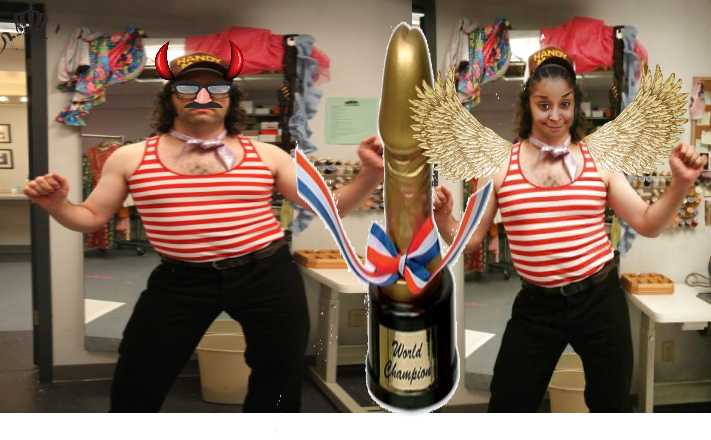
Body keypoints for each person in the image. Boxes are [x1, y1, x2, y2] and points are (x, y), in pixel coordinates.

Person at [24, 51, 385, 413]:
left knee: (279, 375)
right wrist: (57, 205)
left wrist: (371, 173)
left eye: (216, 87)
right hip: (179, 281)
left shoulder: (268, 155)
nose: (202, 96)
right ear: (169, 98)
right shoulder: (129, 157)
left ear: (230, 98)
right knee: (139, 373)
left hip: (267, 275)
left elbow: (330, 207)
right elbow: (91, 217)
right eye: (187, 87)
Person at [432, 48, 707, 413]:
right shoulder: (498, 166)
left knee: (611, 404)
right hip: (537, 307)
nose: (555, 115)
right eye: (543, 104)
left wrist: (681, 184)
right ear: (528, 103)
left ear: (575, 104)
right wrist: (444, 221)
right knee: (509, 403)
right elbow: (472, 240)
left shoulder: (600, 159)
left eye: (564, 103)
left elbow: (647, 223)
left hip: (599, 300)